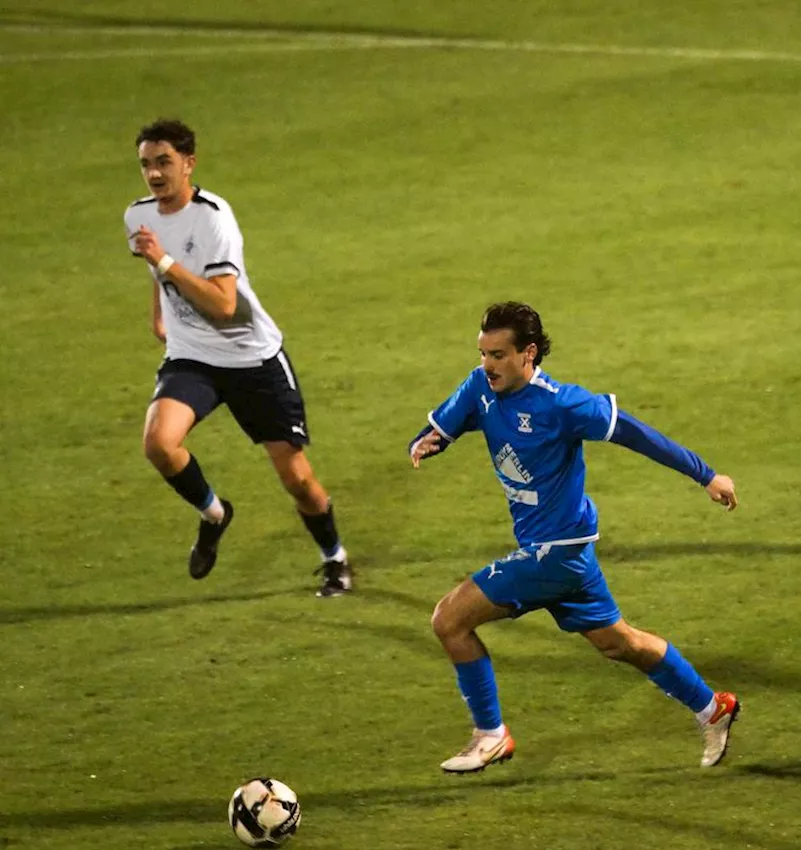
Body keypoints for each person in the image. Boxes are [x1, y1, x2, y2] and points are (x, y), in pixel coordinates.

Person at [408, 302, 740, 773]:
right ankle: (714, 707)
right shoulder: (480, 387)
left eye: (499, 355)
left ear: (528, 354)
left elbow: (637, 435)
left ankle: (491, 734)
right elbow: (441, 428)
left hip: (554, 555)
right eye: (483, 353)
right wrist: (425, 442)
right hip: (570, 555)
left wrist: (705, 475)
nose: (488, 364)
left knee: (449, 620)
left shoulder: (562, 404)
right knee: (619, 643)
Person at [123, 119, 352, 597]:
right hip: (192, 357)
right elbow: (156, 269)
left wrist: (164, 261)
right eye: (146, 164)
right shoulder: (138, 215)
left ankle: (334, 557)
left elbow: (225, 304)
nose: (155, 174)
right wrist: (159, 311)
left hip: (252, 360)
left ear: (189, 163)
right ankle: (214, 514)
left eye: (164, 162)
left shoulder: (213, 217)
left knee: (297, 478)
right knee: (159, 444)